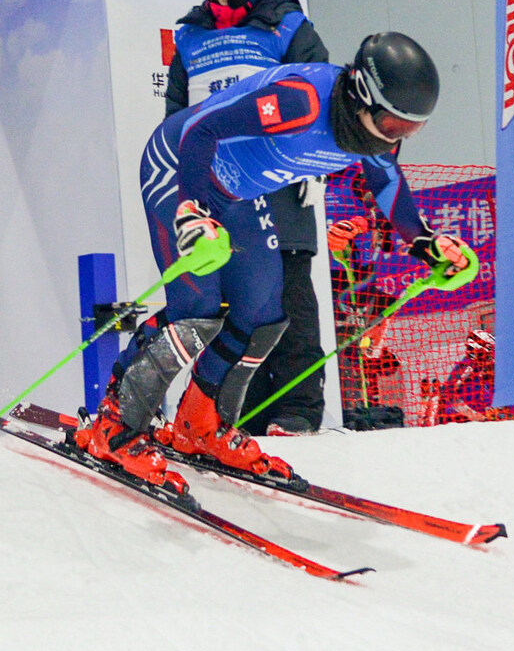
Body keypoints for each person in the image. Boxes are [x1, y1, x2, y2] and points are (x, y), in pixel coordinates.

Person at [76, 32, 478, 492]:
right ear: (363, 95)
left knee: (264, 314)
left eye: (410, 129)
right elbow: (199, 131)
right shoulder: (300, 102)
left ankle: (201, 426)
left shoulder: (373, 133)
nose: (396, 137)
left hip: (238, 192)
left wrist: (424, 241)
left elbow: (386, 180)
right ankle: (115, 425)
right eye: (392, 125)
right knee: (197, 314)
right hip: (180, 167)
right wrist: (192, 210)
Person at [163, 0, 331, 435]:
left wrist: (314, 166)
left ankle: (298, 410)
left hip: (279, 178)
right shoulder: (188, 38)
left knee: (291, 295)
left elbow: (322, 91)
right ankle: (243, 414)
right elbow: (176, 114)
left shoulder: (286, 23)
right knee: (238, 295)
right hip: (217, 183)